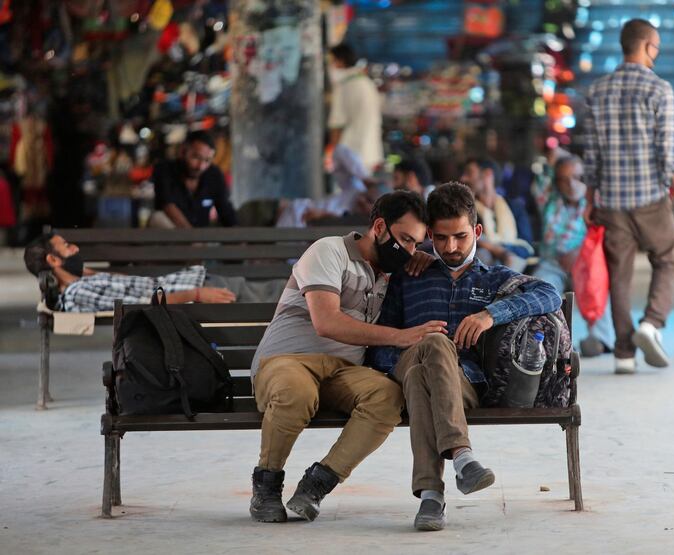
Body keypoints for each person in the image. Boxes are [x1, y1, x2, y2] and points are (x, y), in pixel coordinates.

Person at [367, 183, 562, 532]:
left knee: (422, 375)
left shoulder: (494, 280)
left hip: (463, 383)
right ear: (429, 235)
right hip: (404, 367)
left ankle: (431, 495)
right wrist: (393, 366)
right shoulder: (410, 277)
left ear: (477, 231)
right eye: (440, 238)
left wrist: (492, 314)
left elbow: (549, 294)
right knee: (433, 345)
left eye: (460, 236)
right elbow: (381, 339)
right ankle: (462, 457)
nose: (451, 247)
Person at [248, 191, 445, 524]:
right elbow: (327, 322)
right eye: (405, 240)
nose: (410, 251)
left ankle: (317, 483)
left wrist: (431, 260)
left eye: (417, 244)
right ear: (379, 227)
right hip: (286, 361)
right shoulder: (328, 250)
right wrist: (400, 337)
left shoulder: (390, 273)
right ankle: (266, 486)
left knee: (388, 396)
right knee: (297, 392)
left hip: (341, 372)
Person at [583, 18, 674, 374]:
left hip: (611, 203)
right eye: (656, 48)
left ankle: (623, 354)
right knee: (668, 258)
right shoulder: (659, 89)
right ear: (647, 46)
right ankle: (651, 324)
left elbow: (592, 155)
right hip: (650, 199)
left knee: (620, 275)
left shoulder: (597, 91)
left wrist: (590, 200)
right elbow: (670, 155)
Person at [22, 233, 285, 312]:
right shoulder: (79, 293)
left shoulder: (82, 282)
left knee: (282, 291)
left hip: (197, 282)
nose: (75, 248)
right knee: (283, 293)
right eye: (67, 247)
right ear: (52, 259)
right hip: (200, 293)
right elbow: (144, 306)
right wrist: (197, 294)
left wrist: (81, 272)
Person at [532, 155, 615, 356]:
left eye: (577, 177)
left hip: (586, 262)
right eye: (564, 179)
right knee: (541, 286)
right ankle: (548, 340)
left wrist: (579, 254)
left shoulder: (596, 202)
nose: (571, 184)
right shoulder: (549, 198)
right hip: (553, 262)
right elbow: (542, 175)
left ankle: (600, 340)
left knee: (595, 285)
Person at [460, 158, 535, 273]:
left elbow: (526, 248)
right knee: (483, 255)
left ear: (487, 174)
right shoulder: (465, 210)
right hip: (485, 263)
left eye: (469, 173)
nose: (463, 178)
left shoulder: (514, 207)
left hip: (515, 263)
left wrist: (497, 248)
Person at [150, 130, 237, 228]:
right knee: (158, 218)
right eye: (196, 157)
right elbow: (167, 205)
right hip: (171, 237)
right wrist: (192, 239)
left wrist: (240, 239)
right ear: (183, 151)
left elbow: (225, 210)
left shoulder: (214, 174)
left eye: (207, 160)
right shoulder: (164, 170)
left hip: (201, 236)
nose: (201, 166)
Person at [327, 44, 383, 172]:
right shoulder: (367, 83)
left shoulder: (345, 85)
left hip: (350, 151)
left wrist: (333, 155)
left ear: (340, 61)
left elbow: (336, 123)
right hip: (369, 153)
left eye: (330, 62)